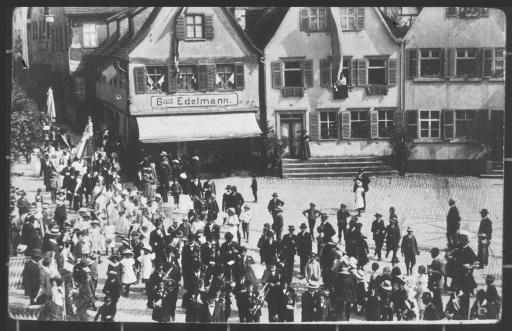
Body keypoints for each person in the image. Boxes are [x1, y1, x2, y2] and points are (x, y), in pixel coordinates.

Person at [428, 247, 445, 316]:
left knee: (437, 298)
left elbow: (442, 273)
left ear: (435, 253)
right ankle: (437, 312)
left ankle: (439, 313)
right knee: (435, 297)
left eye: (432, 253)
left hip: (437, 282)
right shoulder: (435, 260)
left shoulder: (439, 261)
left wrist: (432, 271)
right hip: (435, 282)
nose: (431, 254)